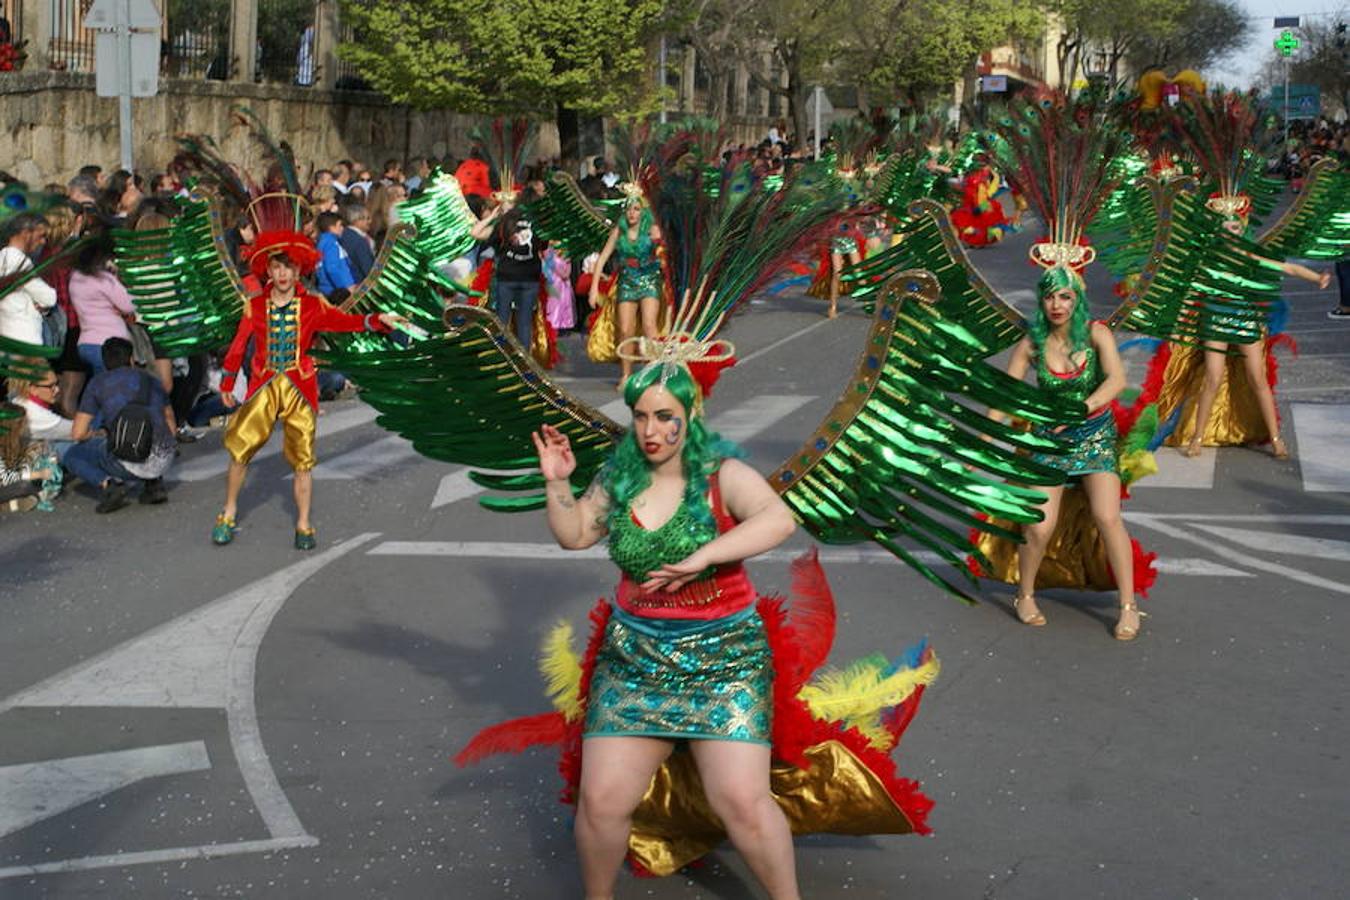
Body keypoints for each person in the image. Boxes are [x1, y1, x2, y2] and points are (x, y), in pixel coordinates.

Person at [456, 344, 938, 897]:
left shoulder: (722, 475)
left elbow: (778, 521)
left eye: (666, 418)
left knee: (742, 804)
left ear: (691, 417)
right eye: (641, 417)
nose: (651, 431)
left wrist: (706, 555)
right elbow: (575, 535)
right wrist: (557, 480)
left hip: (724, 659)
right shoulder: (620, 477)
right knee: (600, 802)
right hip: (634, 659)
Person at [212, 234, 405, 550]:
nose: (283, 274)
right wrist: (227, 381)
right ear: (268, 272)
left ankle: (303, 523)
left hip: (299, 387)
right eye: (277, 267)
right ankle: (229, 511)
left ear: (299, 269)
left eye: (289, 267)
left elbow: (344, 323)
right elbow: (238, 346)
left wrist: (376, 320)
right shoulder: (255, 306)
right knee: (240, 449)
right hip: (263, 386)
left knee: (303, 460)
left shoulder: (313, 305)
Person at [992, 267, 1143, 640]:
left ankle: (1128, 605)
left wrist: (1083, 408)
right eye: (1049, 297)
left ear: (1077, 299)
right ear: (1041, 301)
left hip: (1094, 436)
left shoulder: (1096, 333)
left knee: (1107, 516)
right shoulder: (1031, 344)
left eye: (1065, 296)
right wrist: (982, 438)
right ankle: (1024, 595)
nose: (1057, 305)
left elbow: (1117, 381)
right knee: (1040, 527)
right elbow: (1004, 395)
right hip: (1050, 443)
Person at [1176, 215, 1331, 460]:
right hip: (1215, 321)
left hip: (1246, 322)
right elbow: (1190, 290)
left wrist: (1316, 278)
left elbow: (1288, 267)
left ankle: (1276, 439)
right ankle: (1197, 437)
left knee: (1258, 378)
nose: (1230, 233)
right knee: (1212, 378)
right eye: (1225, 228)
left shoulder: (1251, 258)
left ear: (1242, 229)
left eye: (1235, 227)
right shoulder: (1208, 261)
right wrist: (1179, 322)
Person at [66, 337, 174, 512]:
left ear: (104, 361)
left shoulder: (98, 384)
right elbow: (170, 420)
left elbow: (77, 433)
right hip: (165, 459)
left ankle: (109, 485)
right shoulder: (151, 380)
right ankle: (153, 483)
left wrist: (93, 435)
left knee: (73, 454)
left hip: (128, 462)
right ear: (131, 359)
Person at [589, 197, 664, 384]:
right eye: (629, 209)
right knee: (625, 329)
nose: (632, 213)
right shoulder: (618, 231)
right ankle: (626, 375)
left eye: (637, 209)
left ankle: (653, 372)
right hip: (627, 281)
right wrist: (593, 288)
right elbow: (602, 259)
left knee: (649, 325)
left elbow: (667, 253)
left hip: (649, 279)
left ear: (643, 211)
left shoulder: (652, 230)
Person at [68, 237, 136, 377]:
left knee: (100, 386)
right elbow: (129, 305)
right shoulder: (104, 279)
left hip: (86, 342)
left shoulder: (74, 278)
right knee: (113, 388)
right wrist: (116, 277)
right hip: (110, 346)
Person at [489, 206, 546, 348]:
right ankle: (524, 364)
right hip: (530, 276)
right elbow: (543, 244)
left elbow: (493, 241)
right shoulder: (537, 221)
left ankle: (501, 359)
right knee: (524, 323)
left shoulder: (504, 221)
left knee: (501, 321)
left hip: (507, 275)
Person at [0, 212, 57, 346]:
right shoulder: (18, 260)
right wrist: (43, 304)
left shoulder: (3, 256)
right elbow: (49, 297)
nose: (43, 242)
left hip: (7, 335)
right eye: (41, 236)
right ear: (26, 233)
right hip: (24, 337)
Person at [314, 211, 356, 302]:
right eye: (340, 225)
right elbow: (333, 268)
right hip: (337, 293)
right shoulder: (331, 244)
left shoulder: (321, 243)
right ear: (332, 227)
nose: (342, 228)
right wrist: (347, 287)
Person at [338, 203, 377, 282]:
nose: (370, 221)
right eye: (367, 218)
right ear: (357, 220)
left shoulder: (345, 234)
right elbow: (369, 270)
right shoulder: (359, 241)